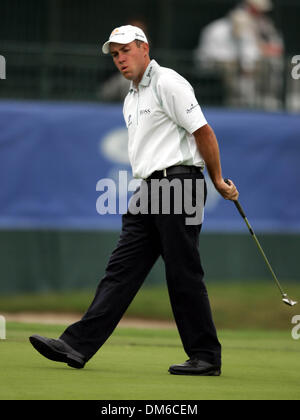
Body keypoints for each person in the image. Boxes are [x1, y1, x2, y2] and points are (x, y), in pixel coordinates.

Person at [29, 25, 239, 376]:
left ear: (144, 48)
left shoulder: (168, 82)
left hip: (180, 183)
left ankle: (205, 356)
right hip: (148, 190)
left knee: (182, 273)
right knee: (120, 271)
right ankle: (77, 346)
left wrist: (216, 179)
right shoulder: (131, 96)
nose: (120, 59)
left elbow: (203, 131)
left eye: (125, 50)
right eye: (115, 54)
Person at [195, 0, 284, 108]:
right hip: (219, 65)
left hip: (255, 66)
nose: (259, 13)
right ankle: (243, 104)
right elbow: (209, 55)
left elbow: (273, 48)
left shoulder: (265, 26)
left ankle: (264, 103)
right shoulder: (219, 28)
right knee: (239, 71)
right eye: (255, 10)